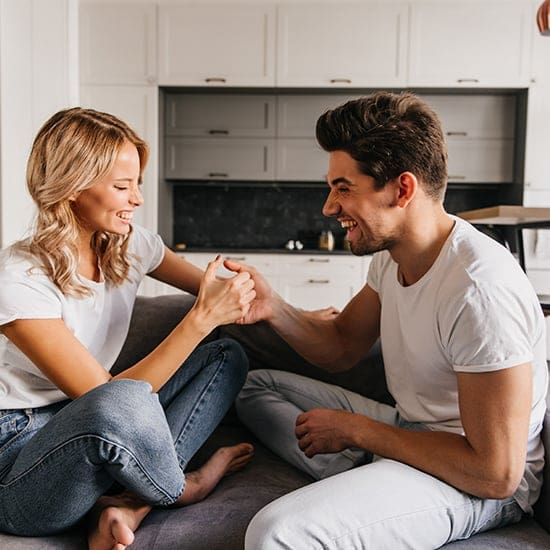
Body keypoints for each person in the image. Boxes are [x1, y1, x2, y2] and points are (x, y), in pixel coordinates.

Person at [230, 91, 549, 548]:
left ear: (402, 189)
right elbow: (341, 346)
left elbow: (496, 473)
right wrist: (273, 307)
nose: (328, 207)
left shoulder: (479, 289)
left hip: (478, 481)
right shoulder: (392, 257)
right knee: (252, 385)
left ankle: (369, 481)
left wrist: (359, 431)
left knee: (275, 533)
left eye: (343, 187)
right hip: (411, 429)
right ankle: (366, 484)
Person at [0, 107, 256, 550]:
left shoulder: (131, 244)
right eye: (123, 186)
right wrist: (200, 320)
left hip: (97, 430)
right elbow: (108, 401)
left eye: (136, 183)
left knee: (225, 355)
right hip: (19, 463)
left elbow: (219, 289)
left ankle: (128, 504)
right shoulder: (19, 279)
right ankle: (177, 487)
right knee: (113, 405)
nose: (137, 199)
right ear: (72, 187)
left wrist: (305, 317)